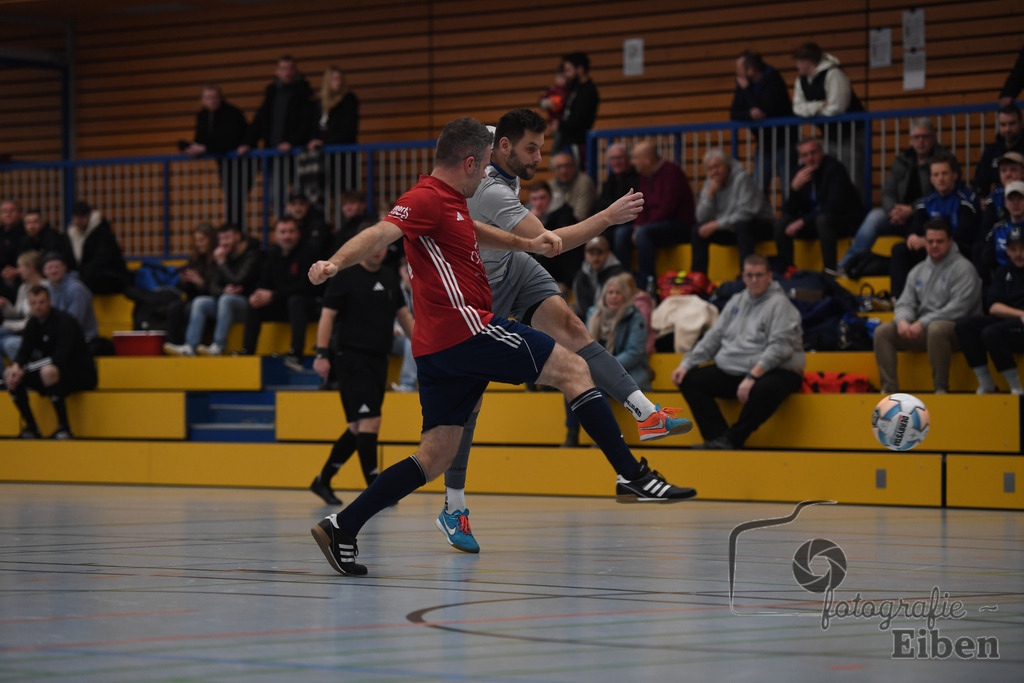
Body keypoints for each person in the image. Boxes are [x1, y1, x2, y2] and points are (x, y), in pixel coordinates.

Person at [307, 116, 695, 576]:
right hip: (466, 329)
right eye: (486, 164)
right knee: (573, 370)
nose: (489, 173)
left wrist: (530, 242)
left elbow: (474, 231)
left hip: (436, 349)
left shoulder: (451, 201)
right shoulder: (425, 198)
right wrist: (335, 262)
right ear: (469, 162)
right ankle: (632, 474)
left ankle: (343, 526)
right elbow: (380, 232)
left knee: (434, 456)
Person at [444, 109, 693, 554]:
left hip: (510, 266)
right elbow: (551, 244)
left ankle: (645, 412)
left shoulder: (491, 140)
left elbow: (462, 132)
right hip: (475, 291)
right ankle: (454, 504)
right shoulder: (493, 193)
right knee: (468, 404)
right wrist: (609, 217)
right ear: (503, 148)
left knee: (574, 327)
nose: (539, 157)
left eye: (541, 146)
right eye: (531, 149)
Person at [309, 239, 414, 505]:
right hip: (352, 359)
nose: (378, 250)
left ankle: (323, 481)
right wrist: (321, 354)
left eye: (382, 245)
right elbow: (327, 316)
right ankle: (377, 489)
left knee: (358, 427)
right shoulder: (345, 276)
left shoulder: (389, 276)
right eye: (373, 244)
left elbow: (403, 314)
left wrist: (422, 346)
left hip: (379, 360)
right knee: (370, 422)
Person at [671, 254, 804, 449]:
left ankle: (734, 439)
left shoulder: (780, 304)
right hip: (736, 368)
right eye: (749, 275)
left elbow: (781, 347)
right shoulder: (736, 301)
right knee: (690, 379)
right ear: (743, 276)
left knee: (767, 388)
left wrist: (752, 376)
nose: (754, 280)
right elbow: (714, 337)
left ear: (769, 276)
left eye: (759, 275)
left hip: (774, 369)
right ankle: (718, 439)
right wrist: (687, 363)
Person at [874, 219, 982, 394]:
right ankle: (889, 390)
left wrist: (921, 323)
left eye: (939, 241)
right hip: (926, 329)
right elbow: (906, 302)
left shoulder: (964, 269)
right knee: (883, 332)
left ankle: (940, 388)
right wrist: (902, 320)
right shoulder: (918, 270)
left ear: (950, 241)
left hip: (960, 330)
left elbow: (959, 308)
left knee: (936, 329)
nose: (934, 246)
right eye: (930, 241)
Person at [836, 118, 946, 276]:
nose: (920, 141)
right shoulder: (902, 160)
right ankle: (845, 265)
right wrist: (893, 211)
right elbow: (888, 190)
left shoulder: (942, 161)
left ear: (934, 137)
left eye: (925, 136)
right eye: (916, 137)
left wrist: (911, 210)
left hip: (926, 216)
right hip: (899, 215)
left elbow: (938, 193)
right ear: (911, 139)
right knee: (875, 216)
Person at [563, 273, 652, 447]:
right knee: (570, 382)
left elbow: (634, 353)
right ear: (604, 295)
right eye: (610, 292)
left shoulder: (635, 317)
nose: (613, 296)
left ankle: (606, 437)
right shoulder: (594, 315)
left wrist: (604, 369)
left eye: (618, 292)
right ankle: (572, 433)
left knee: (595, 389)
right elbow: (583, 347)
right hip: (596, 371)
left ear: (625, 296)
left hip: (627, 373)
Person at [2, 285, 97, 440]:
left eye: (41, 302)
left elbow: (60, 357)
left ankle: (64, 428)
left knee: (47, 371)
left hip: (78, 373)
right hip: (50, 371)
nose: (37, 306)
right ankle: (32, 428)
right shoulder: (32, 324)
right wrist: (16, 367)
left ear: (50, 301)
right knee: (10, 375)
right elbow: (24, 352)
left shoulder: (64, 321)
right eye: (33, 303)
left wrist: (26, 369)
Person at [165, 223, 263, 357]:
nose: (223, 243)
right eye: (221, 239)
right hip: (226, 305)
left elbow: (238, 281)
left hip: (249, 305)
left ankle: (218, 346)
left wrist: (222, 263)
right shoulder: (224, 255)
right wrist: (223, 290)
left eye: (227, 238)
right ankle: (190, 346)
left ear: (238, 237)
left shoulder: (252, 255)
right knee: (201, 302)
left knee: (226, 299)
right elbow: (213, 287)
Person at [890, 152, 978, 298]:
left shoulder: (967, 200)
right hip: (933, 248)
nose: (940, 179)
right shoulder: (927, 201)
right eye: (936, 175)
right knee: (900, 250)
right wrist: (913, 237)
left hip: (959, 250)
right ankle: (898, 299)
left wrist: (928, 242)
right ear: (931, 178)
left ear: (954, 175)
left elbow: (964, 234)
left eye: (944, 173)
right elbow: (915, 229)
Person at [773, 138, 864, 274]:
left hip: (842, 222)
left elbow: (834, 206)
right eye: (805, 155)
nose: (810, 158)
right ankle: (789, 270)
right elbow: (790, 212)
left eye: (813, 153)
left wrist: (803, 221)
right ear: (800, 158)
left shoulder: (834, 169)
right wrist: (794, 189)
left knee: (823, 220)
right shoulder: (800, 173)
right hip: (814, 223)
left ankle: (829, 270)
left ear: (822, 152)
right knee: (782, 224)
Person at [614, 141, 696, 288]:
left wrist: (640, 228)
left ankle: (648, 284)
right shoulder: (645, 176)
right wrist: (638, 226)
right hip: (653, 225)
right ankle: (623, 283)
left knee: (643, 234)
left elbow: (667, 208)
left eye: (635, 158)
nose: (632, 163)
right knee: (621, 233)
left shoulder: (672, 172)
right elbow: (641, 205)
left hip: (678, 225)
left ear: (647, 159)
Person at [240, 216, 318, 368]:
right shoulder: (273, 254)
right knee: (256, 303)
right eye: (282, 232)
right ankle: (247, 351)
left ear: (298, 233)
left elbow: (307, 286)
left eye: (291, 231)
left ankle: (296, 354)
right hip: (282, 305)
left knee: (296, 300)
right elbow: (264, 281)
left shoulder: (308, 252)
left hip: (308, 306)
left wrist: (274, 295)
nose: (287, 236)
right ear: (275, 235)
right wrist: (258, 294)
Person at [237, 55, 313, 210]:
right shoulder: (271, 93)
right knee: (274, 195)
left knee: (300, 196)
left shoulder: (304, 92)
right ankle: (284, 225)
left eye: (291, 68)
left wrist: (292, 142)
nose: (287, 72)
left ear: (295, 71)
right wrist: (247, 143)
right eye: (284, 68)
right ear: (277, 71)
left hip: (297, 153)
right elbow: (260, 120)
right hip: (274, 153)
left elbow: (306, 123)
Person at [791, 41, 866, 197]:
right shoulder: (801, 81)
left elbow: (837, 107)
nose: (797, 66)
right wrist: (819, 106)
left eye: (798, 62)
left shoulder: (834, 74)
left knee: (853, 178)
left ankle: (856, 216)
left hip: (850, 134)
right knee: (830, 176)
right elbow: (797, 108)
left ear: (807, 61)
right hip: (830, 136)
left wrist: (811, 109)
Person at [956, 225, 1024, 394]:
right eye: (1013, 249)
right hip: (1013, 321)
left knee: (991, 333)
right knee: (964, 326)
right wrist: (1020, 314)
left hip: (1015, 329)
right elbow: (993, 307)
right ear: (1007, 250)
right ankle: (986, 384)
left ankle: (1016, 388)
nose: (1018, 254)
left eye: (1023, 249)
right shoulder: (1003, 271)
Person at [691, 147, 773, 276]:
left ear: (727, 166)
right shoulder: (710, 183)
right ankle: (697, 278)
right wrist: (709, 195)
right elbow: (701, 217)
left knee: (743, 225)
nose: (714, 172)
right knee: (698, 231)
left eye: (717, 166)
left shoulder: (742, 178)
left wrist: (717, 224)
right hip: (730, 228)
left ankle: (746, 275)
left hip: (759, 226)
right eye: (710, 169)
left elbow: (747, 213)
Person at [729, 49, 796, 196]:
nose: (737, 73)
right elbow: (734, 112)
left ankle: (790, 217)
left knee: (788, 187)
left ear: (751, 70)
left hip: (785, 141)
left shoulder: (772, 79)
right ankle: (761, 219)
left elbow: (764, 109)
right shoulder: (744, 83)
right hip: (764, 144)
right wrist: (749, 113)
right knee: (758, 188)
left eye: (739, 69)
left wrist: (747, 90)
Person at [184, 84, 251, 227]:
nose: (212, 101)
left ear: (220, 98)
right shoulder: (203, 115)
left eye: (215, 97)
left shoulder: (232, 113)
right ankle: (233, 230)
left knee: (236, 199)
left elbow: (230, 140)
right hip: (224, 163)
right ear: (202, 100)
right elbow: (201, 138)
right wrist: (190, 147)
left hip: (243, 163)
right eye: (208, 98)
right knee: (231, 197)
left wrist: (206, 148)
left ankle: (236, 231)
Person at [306, 66, 359, 202]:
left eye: (340, 78)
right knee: (321, 192)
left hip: (341, 154)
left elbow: (348, 129)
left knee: (343, 192)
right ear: (327, 81)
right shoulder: (319, 103)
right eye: (334, 79)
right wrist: (313, 141)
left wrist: (325, 143)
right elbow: (313, 126)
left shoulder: (348, 100)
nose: (338, 82)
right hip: (322, 157)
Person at [164, 223, 218, 348]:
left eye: (202, 240)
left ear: (211, 239)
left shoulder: (218, 259)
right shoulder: (194, 259)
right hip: (193, 298)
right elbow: (185, 290)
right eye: (196, 241)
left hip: (210, 300)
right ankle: (174, 344)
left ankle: (190, 344)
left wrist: (201, 283)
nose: (198, 244)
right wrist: (184, 281)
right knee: (174, 307)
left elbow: (217, 288)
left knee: (192, 307)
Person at [65, 200, 130, 295]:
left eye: (82, 217)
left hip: (110, 277)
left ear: (89, 216)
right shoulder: (72, 234)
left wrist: (81, 275)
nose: (79, 220)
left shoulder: (102, 232)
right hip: (87, 276)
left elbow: (102, 259)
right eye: (76, 217)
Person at [527, 180, 579, 289]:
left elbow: (566, 249)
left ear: (550, 197)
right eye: (534, 199)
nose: (538, 203)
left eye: (542, 198)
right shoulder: (528, 215)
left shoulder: (565, 214)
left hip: (562, 268)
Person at [41, 251, 98, 346]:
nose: (54, 271)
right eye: (50, 268)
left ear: (64, 267)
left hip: (83, 340)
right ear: (44, 271)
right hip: (59, 339)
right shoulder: (48, 289)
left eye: (57, 267)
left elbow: (73, 323)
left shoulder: (76, 289)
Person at [0, 250, 46, 361]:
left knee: (8, 343)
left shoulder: (46, 288)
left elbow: (34, 321)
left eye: (20, 267)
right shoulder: (24, 287)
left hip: (36, 332)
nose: (18, 271)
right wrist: (5, 304)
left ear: (31, 267)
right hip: (21, 328)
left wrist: (5, 324)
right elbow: (17, 313)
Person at [559, 51, 599, 169]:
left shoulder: (588, 91)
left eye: (568, 70)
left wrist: (560, 124)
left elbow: (578, 120)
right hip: (569, 141)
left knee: (575, 174)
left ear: (580, 69)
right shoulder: (574, 89)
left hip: (577, 142)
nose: (566, 74)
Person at [973, 104, 1024, 197]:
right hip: (997, 203)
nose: (1007, 129)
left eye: (1012, 123)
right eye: (1003, 124)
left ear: (1021, 123)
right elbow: (980, 183)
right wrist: (981, 199)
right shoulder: (991, 151)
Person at [571, 234, 624, 320]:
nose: (595, 258)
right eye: (591, 253)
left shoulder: (618, 275)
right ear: (585, 254)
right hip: (588, 323)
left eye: (600, 253)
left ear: (608, 253)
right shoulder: (580, 276)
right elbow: (582, 309)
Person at [550, 150, 596, 222]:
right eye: (559, 167)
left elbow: (580, 216)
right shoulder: (550, 185)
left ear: (575, 166)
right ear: (553, 170)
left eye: (567, 165)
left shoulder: (584, 183)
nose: (563, 170)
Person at [286, 190, 333, 259]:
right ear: (287, 207)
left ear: (307, 205)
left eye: (301, 204)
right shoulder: (286, 224)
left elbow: (315, 250)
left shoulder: (319, 225)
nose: (298, 208)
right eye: (293, 204)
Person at [594, 143, 639, 213]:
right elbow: (600, 204)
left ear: (628, 158)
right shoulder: (611, 178)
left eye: (620, 157)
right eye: (613, 158)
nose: (616, 162)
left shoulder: (637, 178)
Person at [1, 199, 26, 301]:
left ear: (20, 213)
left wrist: (17, 271)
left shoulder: (26, 233)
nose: (8, 214)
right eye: (4, 211)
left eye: (12, 211)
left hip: (21, 278)